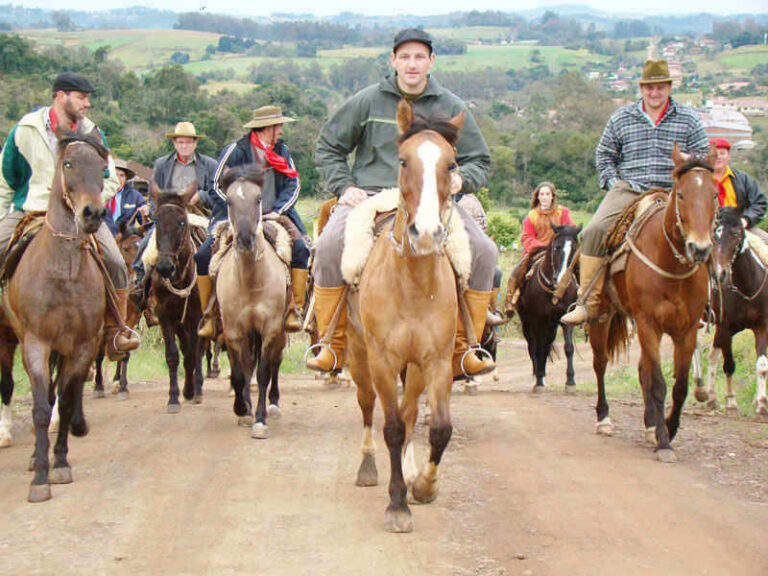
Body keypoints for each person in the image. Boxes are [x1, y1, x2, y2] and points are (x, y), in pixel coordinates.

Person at [312, 28, 498, 377]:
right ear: (393, 60)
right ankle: (331, 344)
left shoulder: (451, 106)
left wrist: (461, 179)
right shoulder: (367, 101)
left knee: (484, 252)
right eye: (405, 57)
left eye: (419, 57)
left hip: (431, 199)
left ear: (432, 61)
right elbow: (328, 147)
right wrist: (344, 186)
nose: (412, 64)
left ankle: (465, 349)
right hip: (369, 196)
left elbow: (479, 159)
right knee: (328, 246)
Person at [0, 71, 140, 359]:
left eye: (87, 98)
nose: (87, 104)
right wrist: (3, 216)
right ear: (61, 96)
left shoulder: (93, 133)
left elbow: (109, 179)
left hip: (81, 214)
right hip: (33, 209)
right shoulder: (26, 129)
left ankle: (116, 332)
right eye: (81, 97)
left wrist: (87, 201)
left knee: (115, 261)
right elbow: (6, 178)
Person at [561, 59, 709, 325]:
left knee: (709, 231)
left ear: (669, 87)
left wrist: (689, 168)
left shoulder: (688, 118)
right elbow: (605, 155)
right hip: (631, 188)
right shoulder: (621, 117)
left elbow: (703, 156)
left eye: (660, 87)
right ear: (641, 89)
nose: (655, 93)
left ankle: (707, 302)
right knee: (593, 230)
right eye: (650, 88)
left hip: (674, 191)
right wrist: (613, 183)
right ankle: (589, 302)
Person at [199, 105, 310, 337]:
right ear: (267, 128)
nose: (281, 131)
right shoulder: (236, 150)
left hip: (274, 214)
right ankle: (209, 314)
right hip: (237, 214)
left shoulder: (282, 151)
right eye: (278, 126)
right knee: (202, 255)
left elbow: (293, 184)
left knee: (301, 249)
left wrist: (278, 210)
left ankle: (295, 308)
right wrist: (239, 206)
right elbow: (215, 185)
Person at [130, 121, 217, 314]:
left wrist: (201, 196)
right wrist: (158, 215)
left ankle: (218, 296)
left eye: (188, 142)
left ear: (195, 143)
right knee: (146, 249)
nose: (184, 146)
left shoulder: (210, 165)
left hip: (199, 216)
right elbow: (154, 195)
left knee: (215, 250)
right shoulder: (162, 164)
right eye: (180, 142)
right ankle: (141, 288)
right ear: (174, 143)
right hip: (169, 218)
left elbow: (217, 195)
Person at [504, 181, 575, 314]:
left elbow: (570, 230)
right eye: (542, 194)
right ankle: (511, 299)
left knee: (578, 266)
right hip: (538, 250)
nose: (544, 197)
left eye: (547, 194)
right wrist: (542, 246)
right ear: (537, 197)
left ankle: (584, 300)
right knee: (518, 269)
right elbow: (526, 237)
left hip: (559, 250)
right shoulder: (532, 215)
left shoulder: (562, 213)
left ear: (552, 196)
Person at [711, 137, 767, 241]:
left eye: (722, 153)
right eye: (714, 154)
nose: (718, 157)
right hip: (707, 230)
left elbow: (758, 203)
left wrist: (746, 219)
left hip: (739, 226)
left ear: (729, 156)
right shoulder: (700, 181)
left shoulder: (744, 179)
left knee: (765, 242)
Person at [104, 158, 150, 236]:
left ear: (126, 178)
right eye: (115, 175)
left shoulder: (135, 196)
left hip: (126, 239)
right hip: (102, 238)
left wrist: (146, 214)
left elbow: (146, 224)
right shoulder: (99, 195)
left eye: (121, 175)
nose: (118, 179)